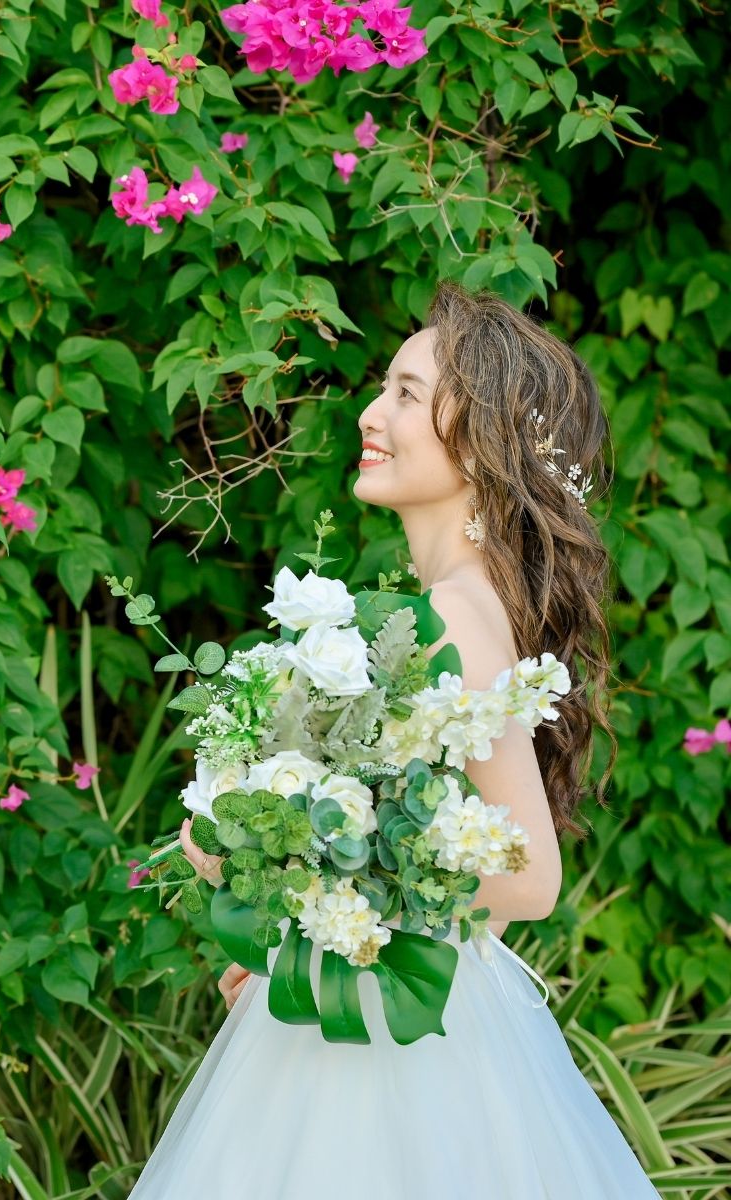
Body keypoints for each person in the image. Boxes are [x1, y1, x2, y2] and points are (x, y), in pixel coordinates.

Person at [124, 281, 661, 1198]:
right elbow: (417, 836)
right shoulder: (430, 614)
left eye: (408, 393)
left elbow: (528, 876)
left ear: (483, 436)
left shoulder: (454, 618)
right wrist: (300, 932)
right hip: (366, 1006)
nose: (373, 411)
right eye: (386, 386)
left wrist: (317, 893)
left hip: (397, 1042)